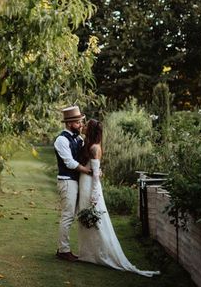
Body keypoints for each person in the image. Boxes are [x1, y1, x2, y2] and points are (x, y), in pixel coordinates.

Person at [77, 119, 160, 277]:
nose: (84, 126)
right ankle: (88, 254)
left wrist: (95, 196)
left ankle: (100, 253)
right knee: (85, 218)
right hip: (83, 183)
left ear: (92, 130)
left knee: (96, 221)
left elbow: (95, 176)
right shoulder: (87, 144)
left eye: (86, 125)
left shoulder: (95, 148)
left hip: (90, 187)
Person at [54, 105, 91, 262]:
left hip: (76, 181)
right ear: (69, 124)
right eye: (78, 122)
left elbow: (84, 157)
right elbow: (69, 163)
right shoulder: (61, 140)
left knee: (72, 215)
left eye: (81, 122)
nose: (81, 125)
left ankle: (63, 249)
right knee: (68, 216)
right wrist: (87, 171)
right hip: (67, 181)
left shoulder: (79, 139)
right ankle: (63, 250)